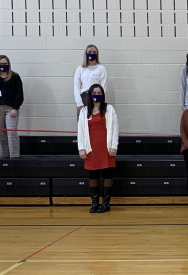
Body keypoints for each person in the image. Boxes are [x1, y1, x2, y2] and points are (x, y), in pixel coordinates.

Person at [78, 84, 119, 213]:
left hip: (106, 147)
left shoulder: (109, 109)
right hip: (91, 148)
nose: (96, 94)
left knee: (107, 174)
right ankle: (94, 202)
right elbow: (80, 131)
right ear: (90, 94)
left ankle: (105, 203)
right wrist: (81, 148)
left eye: (99, 92)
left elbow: (115, 129)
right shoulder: (84, 111)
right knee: (93, 175)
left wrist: (114, 146)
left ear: (102, 94)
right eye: (94, 92)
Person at [0, 55, 24, 158]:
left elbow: (19, 93)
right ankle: (4, 156)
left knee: (11, 132)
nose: (3, 65)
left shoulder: (15, 77)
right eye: (1, 64)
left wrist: (16, 107)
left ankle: (14, 156)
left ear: (8, 64)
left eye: (5, 64)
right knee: (1, 134)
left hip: (11, 109)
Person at [74, 44, 108, 114]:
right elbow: (76, 87)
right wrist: (79, 103)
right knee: (83, 123)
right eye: (90, 52)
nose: (92, 54)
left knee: (96, 122)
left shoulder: (101, 69)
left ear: (97, 54)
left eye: (94, 52)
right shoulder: (80, 69)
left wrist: (100, 102)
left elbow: (103, 87)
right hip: (84, 98)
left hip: (97, 98)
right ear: (86, 53)